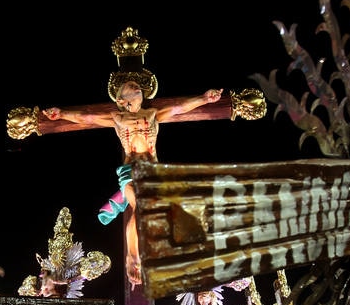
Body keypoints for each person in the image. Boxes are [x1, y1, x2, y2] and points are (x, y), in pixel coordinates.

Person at [42, 82, 223, 287]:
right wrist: (62, 113)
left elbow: (179, 108)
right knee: (139, 208)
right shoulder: (118, 118)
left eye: (136, 84)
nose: (135, 85)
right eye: (130, 85)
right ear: (121, 100)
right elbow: (86, 118)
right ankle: (132, 257)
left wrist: (205, 98)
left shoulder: (152, 114)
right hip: (131, 171)